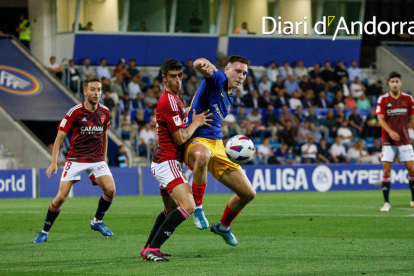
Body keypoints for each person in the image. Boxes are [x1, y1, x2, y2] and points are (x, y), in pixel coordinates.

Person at [141, 58, 211, 261]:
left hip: (164, 160)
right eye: (173, 76)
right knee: (188, 206)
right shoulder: (169, 101)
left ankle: (148, 248)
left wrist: (188, 113)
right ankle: (153, 249)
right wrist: (196, 123)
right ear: (164, 78)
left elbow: (177, 120)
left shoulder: (175, 100)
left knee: (171, 209)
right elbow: (180, 137)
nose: (178, 80)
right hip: (167, 161)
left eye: (180, 75)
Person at [184, 55, 256, 246]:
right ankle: (197, 208)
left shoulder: (230, 95)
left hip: (218, 145)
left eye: (245, 73)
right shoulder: (219, 79)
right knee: (202, 155)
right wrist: (201, 63)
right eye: (238, 71)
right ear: (227, 70)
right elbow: (199, 65)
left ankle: (223, 226)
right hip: (196, 141)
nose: (241, 76)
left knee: (248, 194)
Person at [33, 77, 115, 243]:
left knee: (111, 190)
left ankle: (97, 221)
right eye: (93, 89)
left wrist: (104, 157)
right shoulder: (74, 112)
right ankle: (44, 231)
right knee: (61, 197)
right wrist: (54, 162)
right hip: (76, 158)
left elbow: (104, 135)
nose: (96, 93)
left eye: (99, 89)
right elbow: (59, 138)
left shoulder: (105, 112)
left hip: (96, 159)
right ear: (85, 92)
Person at [375, 71, 414, 211]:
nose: (395, 84)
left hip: (404, 140)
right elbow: (380, 119)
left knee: (412, 169)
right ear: (389, 83)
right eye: (392, 81)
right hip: (388, 141)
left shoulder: (408, 99)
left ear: (400, 83)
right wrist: (391, 132)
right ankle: (386, 202)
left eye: (397, 81)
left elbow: (412, 118)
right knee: (386, 171)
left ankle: (413, 199)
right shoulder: (383, 99)